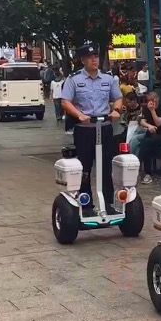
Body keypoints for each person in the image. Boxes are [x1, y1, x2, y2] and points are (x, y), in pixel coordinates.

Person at [61, 42, 123, 213]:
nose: (94, 60)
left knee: (106, 167)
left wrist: (116, 110)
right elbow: (65, 101)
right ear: (83, 60)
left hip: (104, 127)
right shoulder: (74, 80)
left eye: (96, 56)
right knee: (85, 167)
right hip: (85, 129)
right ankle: (86, 203)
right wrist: (79, 114)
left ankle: (108, 203)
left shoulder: (109, 79)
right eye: (90, 57)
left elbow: (118, 97)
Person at [138, 91, 161, 185]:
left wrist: (152, 111)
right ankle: (146, 172)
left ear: (157, 100)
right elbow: (142, 121)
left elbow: (158, 123)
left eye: (152, 100)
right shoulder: (146, 107)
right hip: (150, 134)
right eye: (149, 100)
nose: (150, 103)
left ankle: (145, 171)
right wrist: (149, 126)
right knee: (145, 143)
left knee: (146, 144)